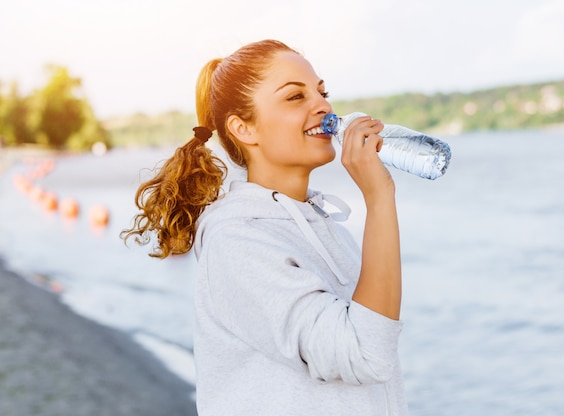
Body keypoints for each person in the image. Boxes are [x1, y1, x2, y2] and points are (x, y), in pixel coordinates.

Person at [122, 39, 408, 416]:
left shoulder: (323, 224)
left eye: (322, 92)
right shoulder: (236, 240)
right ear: (244, 128)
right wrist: (379, 196)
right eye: (295, 97)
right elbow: (365, 353)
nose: (323, 105)